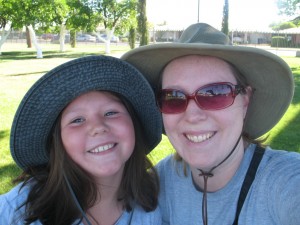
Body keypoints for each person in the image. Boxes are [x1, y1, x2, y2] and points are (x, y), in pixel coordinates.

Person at [121, 23, 300, 225]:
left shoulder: (286, 180)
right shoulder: (158, 184)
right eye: (173, 97)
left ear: (246, 100)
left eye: (215, 93)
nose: (192, 115)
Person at [0, 55, 163, 225]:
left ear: (133, 122)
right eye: (77, 120)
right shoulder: (18, 210)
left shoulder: (157, 202)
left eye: (111, 112)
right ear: (58, 141)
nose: (98, 127)